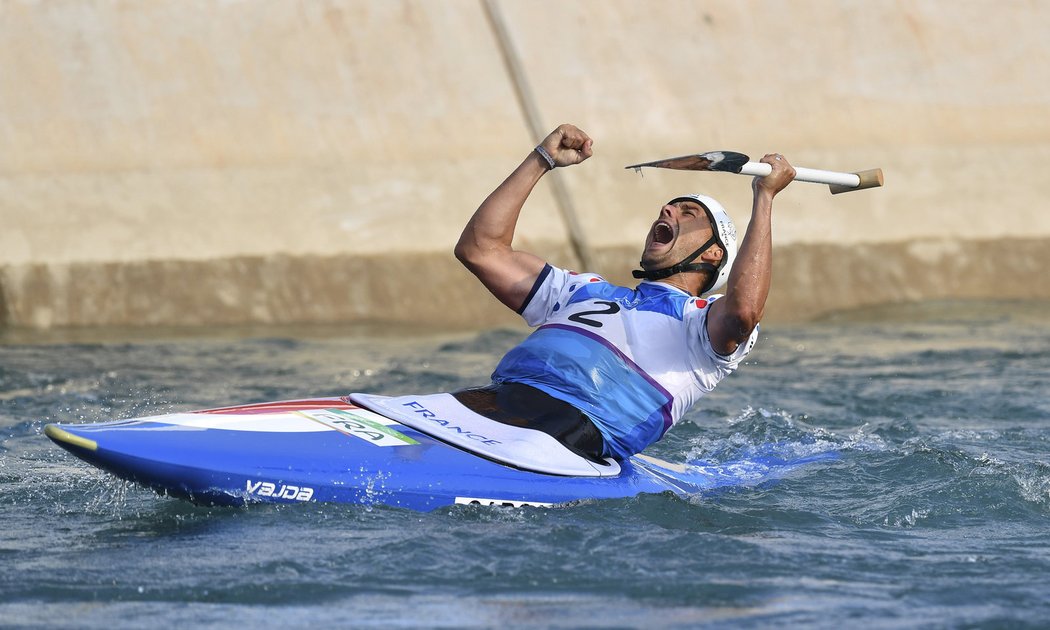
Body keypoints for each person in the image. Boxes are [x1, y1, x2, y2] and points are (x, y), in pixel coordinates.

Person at [453, 124, 795, 462]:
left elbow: (744, 312)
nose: (666, 211)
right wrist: (542, 159)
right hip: (498, 396)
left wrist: (764, 197)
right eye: (669, 208)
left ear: (712, 253)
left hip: (572, 428)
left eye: (687, 213)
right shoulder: (581, 290)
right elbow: (480, 249)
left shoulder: (700, 322)